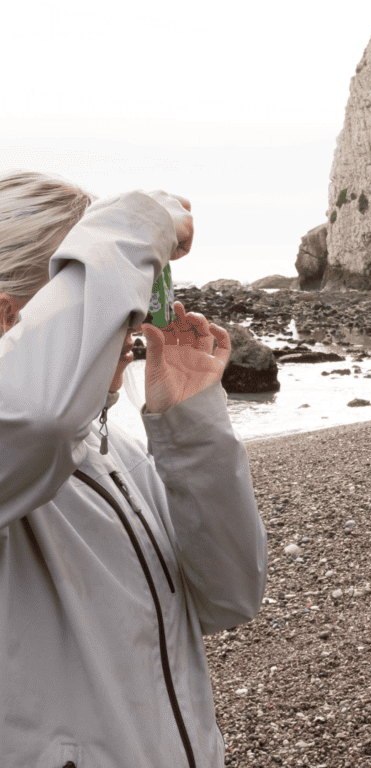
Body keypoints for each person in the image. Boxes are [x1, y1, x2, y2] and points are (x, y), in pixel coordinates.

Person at [0, 171, 268, 768]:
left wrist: (190, 426)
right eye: (103, 302)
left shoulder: (108, 449)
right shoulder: (25, 444)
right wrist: (134, 223)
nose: (129, 325)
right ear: (7, 314)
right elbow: (38, 419)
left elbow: (230, 597)